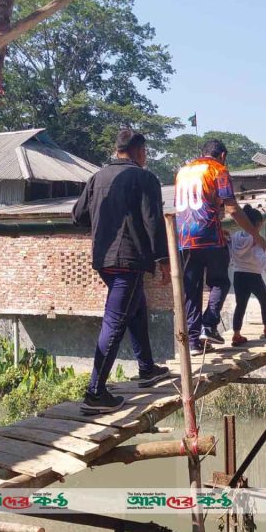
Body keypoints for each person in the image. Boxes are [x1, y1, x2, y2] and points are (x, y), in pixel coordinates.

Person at [72, 130, 172, 413]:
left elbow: (78, 216)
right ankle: (95, 392)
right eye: (146, 152)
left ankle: (147, 368)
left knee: (137, 306)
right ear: (140, 151)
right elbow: (153, 221)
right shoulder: (144, 178)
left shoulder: (97, 177)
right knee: (115, 322)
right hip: (128, 260)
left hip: (104, 259)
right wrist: (163, 260)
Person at [175, 139, 266, 356]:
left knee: (192, 288)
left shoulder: (182, 171)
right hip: (208, 235)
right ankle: (209, 324)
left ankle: (194, 341)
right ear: (222, 155)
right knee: (220, 281)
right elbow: (232, 209)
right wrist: (255, 234)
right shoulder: (218, 169)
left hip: (185, 238)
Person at [229, 205, 266, 346]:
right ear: (256, 224)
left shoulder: (235, 237)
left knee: (240, 305)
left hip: (238, 275)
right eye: (260, 225)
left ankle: (236, 334)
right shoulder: (255, 240)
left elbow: (229, 249)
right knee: (264, 300)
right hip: (254, 275)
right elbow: (261, 258)